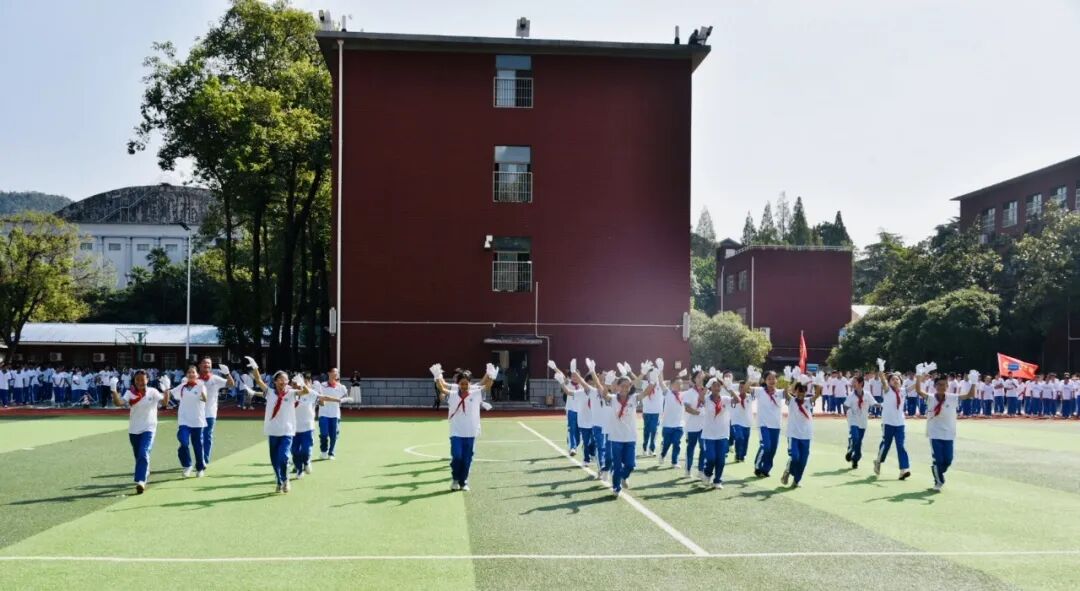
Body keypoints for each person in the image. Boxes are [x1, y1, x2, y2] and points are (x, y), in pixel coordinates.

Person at [431, 363, 495, 491]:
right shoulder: (453, 394)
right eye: (462, 384)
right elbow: (442, 388)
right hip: (456, 431)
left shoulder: (476, 393)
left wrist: (491, 375)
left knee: (467, 458)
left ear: (470, 384)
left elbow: (487, 385)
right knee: (457, 456)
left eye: (466, 384)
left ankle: (463, 481)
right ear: (458, 384)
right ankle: (455, 479)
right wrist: (437, 376)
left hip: (471, 431)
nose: (464, 386)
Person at [250, 365, 311, 493]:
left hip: (287, 431)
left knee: (283, 457)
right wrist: (255, 367)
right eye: (281, 379)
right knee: (274, 460)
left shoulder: (291, 393)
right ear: (275, 381)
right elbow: (258, 380)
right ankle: (279, 480)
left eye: (286, 379)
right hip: (273, 431)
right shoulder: (269, 392)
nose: (284, 382)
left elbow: (305, 392)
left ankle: (285, 479)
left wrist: (301, 382)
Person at [915, 370, 976, 491]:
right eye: (938, 385)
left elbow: (969, 395)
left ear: (947, 386)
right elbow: (918, 391)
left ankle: (936, 470)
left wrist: (974, 382)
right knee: (938, 459)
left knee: (948, 460)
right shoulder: (931, 398)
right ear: (935, 386)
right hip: (935, 433)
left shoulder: (953, 398)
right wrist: (918, 376)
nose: (941, 387)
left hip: (949, 433)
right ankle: (939, 481)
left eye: (943, 385)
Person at [110, 369, 167, 494]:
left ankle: (141, 481)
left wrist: (167, 389)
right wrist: (113, 390)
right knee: (138, 456)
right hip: (134, 429)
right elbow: (119, 403)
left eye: (142, 379)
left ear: (147, 380)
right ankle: (145, 470)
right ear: (134, 381)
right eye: (137, 380)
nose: (140, 382)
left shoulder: (153, 391)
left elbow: (164, 403)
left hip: (149, 428)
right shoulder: (130, 393)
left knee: (143, 451)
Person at [601, 373, 655, 496]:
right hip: (616, 437)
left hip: (630, 437)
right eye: (622, 386)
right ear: (618, 387)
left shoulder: (633, 398)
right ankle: (616, 487)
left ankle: (623, 477)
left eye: (627, 386)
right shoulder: (613, 399)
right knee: (617, 465)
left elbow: (645, 393)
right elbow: (604, 395)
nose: (625, 388)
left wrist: (653, 381)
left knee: (630, 465)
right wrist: (607, 383)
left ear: (630, 387)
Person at [687, 376, 732, 489]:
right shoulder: (706, 399)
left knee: (721, 459)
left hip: (723, 434)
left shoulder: (725, 399)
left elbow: (737, 400)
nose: (717, 388)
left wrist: (729, 387)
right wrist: (707, 386)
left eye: (719, 386)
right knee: (711, 458)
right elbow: (700, 399)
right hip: (709, 435)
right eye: (714, 385)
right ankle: (707, 474)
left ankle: (717, 481)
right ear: (711, 387)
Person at [781, 377, 823, 488]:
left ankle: (796, 480)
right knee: (795, 457)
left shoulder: (808, 401)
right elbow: (785, 392)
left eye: (803, 391)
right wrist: (788, 380)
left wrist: (818, 383)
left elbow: (817, 394)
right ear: (795, 391)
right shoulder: (791, 401)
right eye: (799, 391)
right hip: (793, 435)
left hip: (806, 435)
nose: (801, 394)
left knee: (803, 460)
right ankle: (788, 470)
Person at [743, 370, 784, 479]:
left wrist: (790, 380)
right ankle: (757, 466)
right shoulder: (760, 391)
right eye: (769, 379)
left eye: (773, 378)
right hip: (764, 425)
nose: (771, 381)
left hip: (776, 425)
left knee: (773, 449)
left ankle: (766, 469)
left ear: (776, 380)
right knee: (766, 446)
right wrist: (750, 379)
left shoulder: (779, 392)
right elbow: (745, 389)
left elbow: (791, 392)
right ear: (765, 380)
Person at [170, 366, 208, 478]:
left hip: (197, 421)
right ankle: (187, 465)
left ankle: (200, 468)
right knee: (183, 441)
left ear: (197, 375)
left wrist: (201, 390)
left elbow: (205, 399)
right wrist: (166, 388)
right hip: (184, 420)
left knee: (197, 445)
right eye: (189, 372)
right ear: (186, 375)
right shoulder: (182, 386)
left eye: (193, 372)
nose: (191, 374)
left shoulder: (201, 386)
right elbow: (170, 393)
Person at [197, 357, 235, 467]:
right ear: (200, 365)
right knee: (198, 437)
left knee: (207, 436)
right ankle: (200, 458)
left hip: (210, 412)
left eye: (208, 363)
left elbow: (231, 384)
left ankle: (204, 460)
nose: (207, 365)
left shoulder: (215, 378)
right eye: (204, 363)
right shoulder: (195, 379)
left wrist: (227, 374)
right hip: (197, 412)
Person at [874, 371, 912, 480]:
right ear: (889, 382)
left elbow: (916, 387)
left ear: (901, 381)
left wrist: (921, 374)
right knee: (886, 445)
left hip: (900, 423)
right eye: (893, 379)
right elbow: (883, 381)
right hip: (888, 423)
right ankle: (878, 461)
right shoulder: (887, 390)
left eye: (897, 379)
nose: (895, 381)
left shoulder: (903, 391)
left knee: (901, 446)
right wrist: (881, 370)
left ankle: (903, 470)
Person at [843, 375, 877, 469]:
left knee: (859, 442)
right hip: (853, 420)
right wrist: (847, 409)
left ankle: (855, 459)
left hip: (863, 421)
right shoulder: (851, 395)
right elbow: (845, 405)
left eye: (855, 382)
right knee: (855, 437)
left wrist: (881, 405)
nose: (853, 384)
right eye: (852, 382)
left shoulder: (867, 394)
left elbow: (874, 403)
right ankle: (850, 449)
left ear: (861, 383)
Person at [317, 368, 351, 460]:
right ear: (329, 373)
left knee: (334, 435)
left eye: (337, 373)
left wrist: (341, 400)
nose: (335, 374)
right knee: (324, 434)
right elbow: (319, 398)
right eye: (334, 372)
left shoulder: (341, 387)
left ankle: (331, 453)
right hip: (323, 413)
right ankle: (324, 451)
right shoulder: (322, 385)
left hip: (335, 414)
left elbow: (346, 398)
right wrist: (321, 401)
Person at [292, 374, 320, 479]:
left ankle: (307, 462)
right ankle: (299, 470)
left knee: (305, 450)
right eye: (294, 383)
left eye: (298, 382)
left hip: (307, 427)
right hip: (293, 428)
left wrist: (338, 400)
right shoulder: (291, 393)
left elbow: (321, 399)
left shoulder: (311, 393)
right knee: (295, 451)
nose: (296, 385)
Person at [682, 370, 707, 478]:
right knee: (691, 447)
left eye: (702, 377)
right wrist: (698, 413)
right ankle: (688, 469)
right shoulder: (689, 393)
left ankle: (701, 470)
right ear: (694, 379)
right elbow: (687, 408)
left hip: (704, 426)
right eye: (698, 377)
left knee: (704, 448)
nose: (701, 379)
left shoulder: (707, 392)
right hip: (692, 425)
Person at [639, 359, 665, 457]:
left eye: (654, 373)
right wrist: (643, 372)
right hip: (647, 411)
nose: (651, 375)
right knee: (646, 430)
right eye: (650, 374)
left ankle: (651, 449)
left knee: (654, 430)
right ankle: (644, 448)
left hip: (656, 412)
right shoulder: (645, 384)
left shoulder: (660, 384)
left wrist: (661, 370)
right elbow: (637, 383)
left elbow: (661, 380)